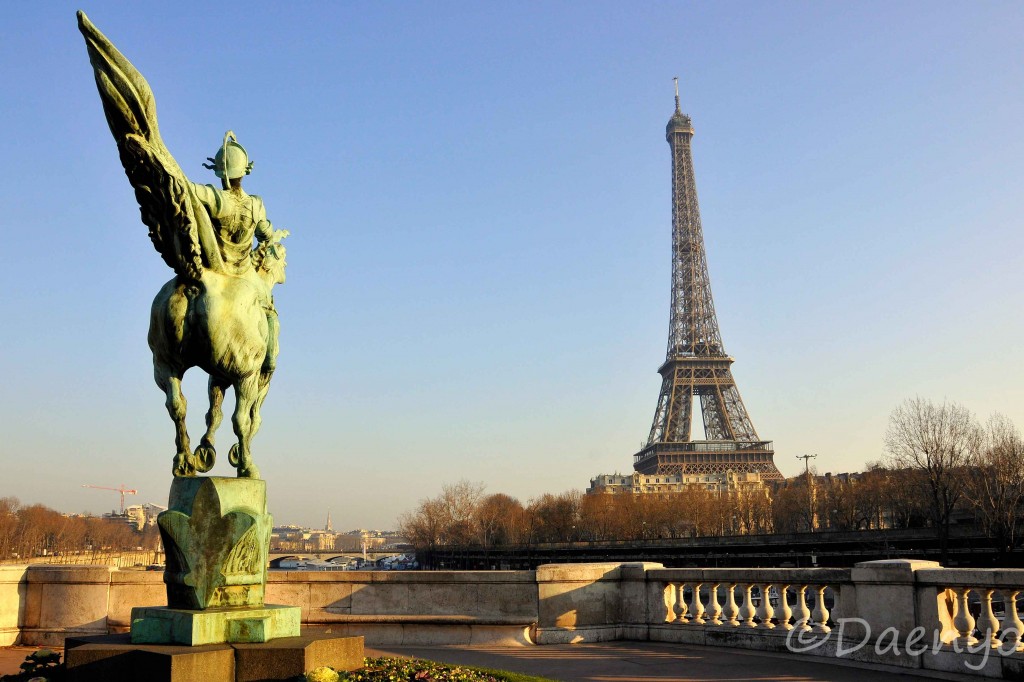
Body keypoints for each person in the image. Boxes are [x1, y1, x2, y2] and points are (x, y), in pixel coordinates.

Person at [192, 131, 288, 372]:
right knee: (268, 308)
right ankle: (269, 360)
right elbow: (265, 235)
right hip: (244, 274)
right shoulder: (256, 204)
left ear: (219, 172)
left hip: (213, 269)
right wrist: (271, 234)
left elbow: (188, 190)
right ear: (245, 171)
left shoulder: (215, 198)